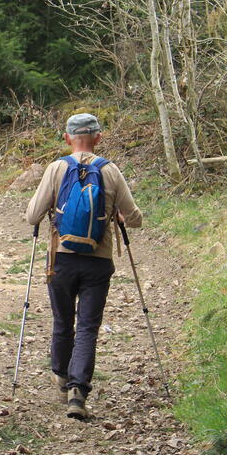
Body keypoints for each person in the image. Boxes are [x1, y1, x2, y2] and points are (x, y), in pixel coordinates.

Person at [24, 113, 143, 420]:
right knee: (88, 327)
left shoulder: (56, 168)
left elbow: (32, 215)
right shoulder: (110, 170)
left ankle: (61, 378)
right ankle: (79, 391)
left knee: (63, 322)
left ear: (67, 138)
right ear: (98, 138)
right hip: (98, 261)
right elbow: (135, 217)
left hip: (61, 260)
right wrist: (117, 215)